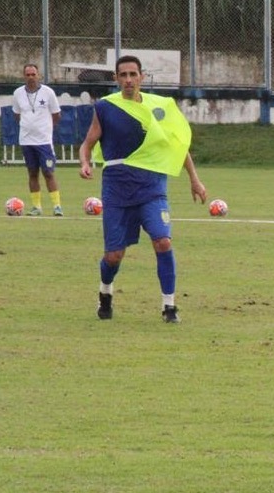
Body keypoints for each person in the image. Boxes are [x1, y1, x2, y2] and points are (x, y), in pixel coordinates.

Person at [78, 55, 207, 323]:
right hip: (117, 190)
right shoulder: (105, 107)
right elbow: (88, 143)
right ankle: (105, 293)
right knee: (113, 256)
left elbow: (176, 146)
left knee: (163, 241)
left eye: (132, 74)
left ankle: (169, 307)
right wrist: (84, 162)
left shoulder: (158, 108)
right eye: (122, 75)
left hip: (152, 188)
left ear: (142, 77)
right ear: (115, 79)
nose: (128, 80)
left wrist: (194, 179)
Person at [11, 63, 63, 216]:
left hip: (44, 142)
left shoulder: (48, 92)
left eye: (33, 74)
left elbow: (56, 115)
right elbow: (17, 114)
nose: (31, 77)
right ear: (24, 76)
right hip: (27, 141)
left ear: (38, 75)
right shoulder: (18, 93)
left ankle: (57, 206)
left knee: (48, 172)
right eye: (28, 75)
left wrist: (45, 128)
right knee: (32, 173)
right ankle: (36, 207)